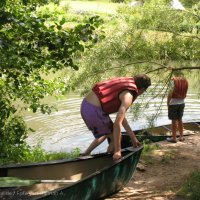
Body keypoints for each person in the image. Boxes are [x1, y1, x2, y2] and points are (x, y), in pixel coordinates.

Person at [80, 74, 151, 160]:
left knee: (108, 132)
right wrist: (118, 150)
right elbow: (118, 123)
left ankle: (86, 153)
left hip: (85, 105)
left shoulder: (125, 85)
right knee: (115, 138)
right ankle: (108, 161)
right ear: (143, 89)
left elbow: (123, 119)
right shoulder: (128, 96)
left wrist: (133, 138)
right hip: (94, 111)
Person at [167, 76, 188, 143]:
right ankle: (181, 137)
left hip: (173, 104)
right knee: (180, 119)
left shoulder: (173, 80)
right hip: (182, 103)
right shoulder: (185, 80)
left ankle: (174, 138)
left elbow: (170, 93)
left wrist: (168, 103)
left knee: (174, 121)